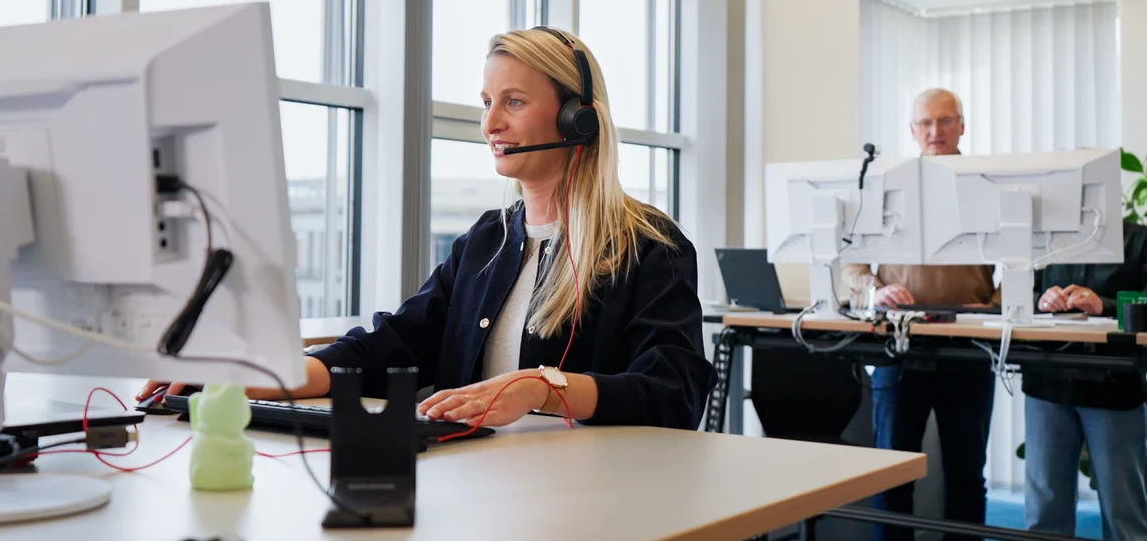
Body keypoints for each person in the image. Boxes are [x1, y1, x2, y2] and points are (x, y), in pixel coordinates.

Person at [139, 27, 716, 430]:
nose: (490, 123)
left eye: (513, 101)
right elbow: (391, 344)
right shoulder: (487, 242)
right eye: (487, 101)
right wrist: (251, 377)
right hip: (480, 483)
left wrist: (545, 386)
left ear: (577, 118)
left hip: (593, 496)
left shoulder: (647, 247)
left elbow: (675, 394)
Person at [843, 88, 998, 541]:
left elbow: (1022, 260)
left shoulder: (989, 185)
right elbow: (852, 265)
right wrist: (877, 289)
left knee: (967, 474)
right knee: (889, 474)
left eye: (945, 121)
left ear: (962, 125)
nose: (936, 132)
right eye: (926, 123)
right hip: (898, 345)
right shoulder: (884, 187)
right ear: (911, 130)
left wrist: (994, 304)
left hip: (969, 346)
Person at [1023, 221, 1147, 541]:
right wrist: (1040, 301)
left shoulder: (1139, 240)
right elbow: (1016, 292)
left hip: (1114, 388)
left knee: (1124, 514)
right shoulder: (1046, 238)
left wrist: (1105, 306)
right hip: (1048, 384)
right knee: (1043, 511)